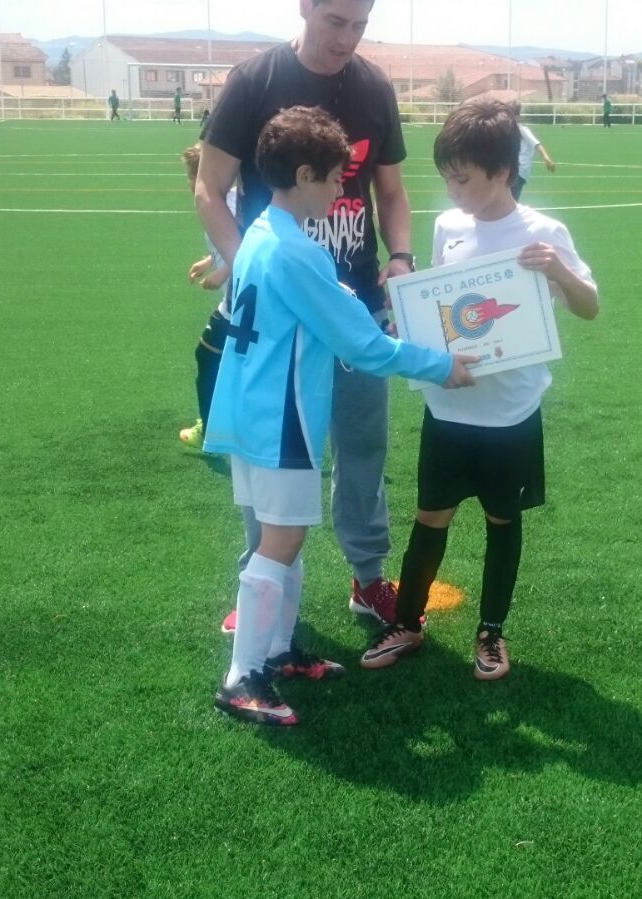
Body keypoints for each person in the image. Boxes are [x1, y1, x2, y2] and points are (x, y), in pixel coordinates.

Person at [207, 106, 475, 726]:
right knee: (280, 541)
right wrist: (440, 365)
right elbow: (363, 346)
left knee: (283, 538)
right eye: (334, 179)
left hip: (249, 409)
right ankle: (242, 677)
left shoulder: (260, 231)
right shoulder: (296, 252)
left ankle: (277, 651)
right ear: (304, 175)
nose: (340, 192)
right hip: (281, 417)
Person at [195, 0, 417, 631]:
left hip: (355, 306)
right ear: (305, 7)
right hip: (277, 323)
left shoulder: (374, 87)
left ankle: (368, 579)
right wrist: (246, 264)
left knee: (363, 446)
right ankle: (259, 584)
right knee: (271, 452)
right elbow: (209, 187)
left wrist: (401, 256)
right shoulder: (255, 81)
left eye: (360, 25)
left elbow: (391, 191)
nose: (347, 38)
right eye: (335, 21)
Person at [360, 97, 598, 681]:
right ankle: (407, 623)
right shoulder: (449, 225)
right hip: (449, 405)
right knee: (429, 517)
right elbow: (443, 304)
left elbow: (589, 306)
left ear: (502, 171)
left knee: (502, 521)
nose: (453, 190)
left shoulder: (543, 233)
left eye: (462, 179)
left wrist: (558, 271)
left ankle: (491, 632)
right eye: (447, 178)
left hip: (511, 412)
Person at [177, 144, 235, 450]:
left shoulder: (227, 201)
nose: (190, 182)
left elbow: (249, 241)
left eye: (191, 175)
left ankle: (211, 431)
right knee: (221, 359)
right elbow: (225, 241)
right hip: (238, 299)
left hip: (242, 300)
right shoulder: (219, 199)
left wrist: (223, 272)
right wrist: (210, 260)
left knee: (208, 355)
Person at [510, 100, 556, 202]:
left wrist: (546, 158)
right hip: (514, 169)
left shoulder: (522, 130)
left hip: (519, 170)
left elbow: (536, 144)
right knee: (509, 199)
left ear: (517, 116)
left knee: (511, 200)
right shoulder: (511, 130)